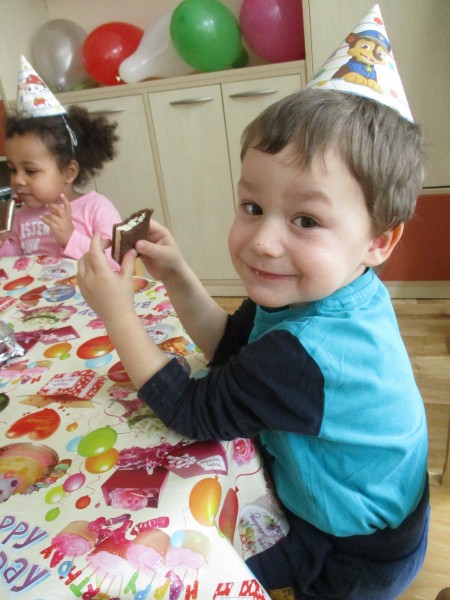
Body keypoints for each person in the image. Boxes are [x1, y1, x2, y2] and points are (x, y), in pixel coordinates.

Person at [77, 8, 429, 599]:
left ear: (379, 241)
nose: (263, 241)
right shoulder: (334, 288)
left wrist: (117, 314)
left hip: (353, 551)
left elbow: (191, 409)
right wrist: (178, 274)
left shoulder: (311, 353)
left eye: (306, 220)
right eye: (253, 207)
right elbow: (234, 346)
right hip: (357, 504)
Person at [0, 104, 121, 267]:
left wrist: (70, 238)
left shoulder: (96, 208)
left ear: (69, 172)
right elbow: (13, 266)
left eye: (30, 171)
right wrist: (4, 246)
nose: (17, 180)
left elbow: (116, 263)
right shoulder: (22, 216)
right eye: (13, 170)